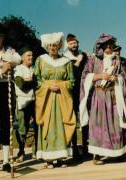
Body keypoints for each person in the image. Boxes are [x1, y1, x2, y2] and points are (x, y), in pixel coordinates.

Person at [79, 33, 126, 165]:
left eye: (110, 45)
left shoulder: (117, 60)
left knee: (115, 124)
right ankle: (97, 155)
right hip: (99, 97)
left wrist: (116, 79)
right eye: (105, 45)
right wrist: (99, 76)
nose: (108, 48)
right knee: (98, 125)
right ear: (100, 46)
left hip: (113, 96)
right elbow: (84, 77)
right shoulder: (93, 60)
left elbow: (123, 78)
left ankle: (118, 152)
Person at [34, 32, 76, 168]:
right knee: (48, 125)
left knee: (62, 124)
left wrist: (61, 86)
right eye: (50, 45)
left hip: (61, 98)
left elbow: (72, 81)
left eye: (55, 45)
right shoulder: (41, 60)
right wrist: (47, 86)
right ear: (47, 46)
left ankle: (62, 158)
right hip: (46, 99)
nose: (53, 47)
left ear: (59, 46)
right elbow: (37, 79)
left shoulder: (66, 61)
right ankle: (49, 159)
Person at [0, 28, 21, 172]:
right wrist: (1, 71)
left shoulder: (8, 50)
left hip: (6, 88)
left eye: (0, 37)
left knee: (6, 123)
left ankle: (6, 161)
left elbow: (17, 58)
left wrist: (4, 59)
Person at [64, 33, 89, 160]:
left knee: (85, 118)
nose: (74, 45)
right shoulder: (64, 57)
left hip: (84, 90)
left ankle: (86, 147)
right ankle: (74, 149)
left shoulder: (84, 55)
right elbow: (66, 74)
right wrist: (78, 62)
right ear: (67, 45)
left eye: (75, 43)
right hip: (71, 92)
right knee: (72, 120)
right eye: (71, 43)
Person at [14, 47, 38, 163]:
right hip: (23, 102)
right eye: (28, 55)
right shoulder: (18, 69)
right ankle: (21, 151)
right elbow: (21, 84)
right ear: (23, 57)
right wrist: (32, 82)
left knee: (38, 126)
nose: (31, 57)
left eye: (32, 55)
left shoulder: (35, 69)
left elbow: (38, 83)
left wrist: (30, 81)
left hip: (36, 101)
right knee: (22, 129)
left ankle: (36, 150)